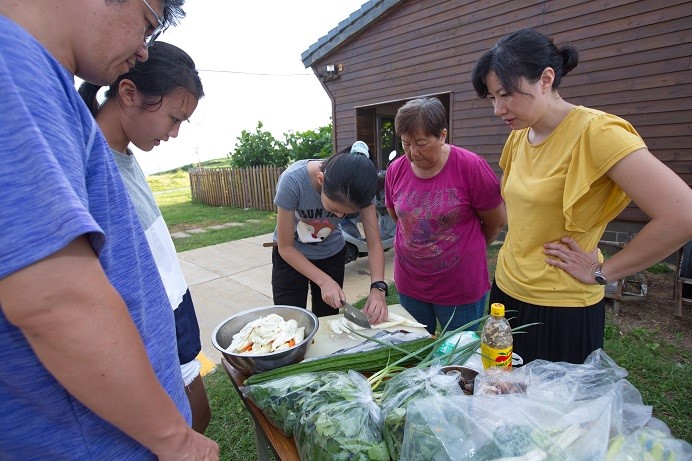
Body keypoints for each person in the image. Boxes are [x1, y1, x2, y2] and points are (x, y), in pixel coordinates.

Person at [0, 1, 218, 459]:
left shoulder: (44, 83)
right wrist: (176, 439)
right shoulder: (16, 68)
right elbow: (54, 299)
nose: (143, 50)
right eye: (148, 23)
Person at [471, 28, 692, 364]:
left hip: (561, 308)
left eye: (506, 95)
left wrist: (605, 272)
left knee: (555, 414)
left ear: (545, 80)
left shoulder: (596, 133)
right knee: (505, 398)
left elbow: (682, 214)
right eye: (492, 98)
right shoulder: (519, 135)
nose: (498, 109)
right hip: (506, 293)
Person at [78, 41, 211, 434]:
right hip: (146, 324)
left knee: (198, 416)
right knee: (187, 421)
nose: (173, 134)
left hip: (173, 303)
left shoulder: (124, 153)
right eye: (173, 118)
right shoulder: (91, 163)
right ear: (130, 94)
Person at [385, 97, 507, 335]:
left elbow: (496, 222)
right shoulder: (396, 170)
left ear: (442, 136)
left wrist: (465, 250)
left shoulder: (470, 167)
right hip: (411, 285)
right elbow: (396, 217)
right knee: (416, 357)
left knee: (458, 357)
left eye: (421, 143)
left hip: (459, 289)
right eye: (406, 143)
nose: (413, 152)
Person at [272, 143, 389, 324]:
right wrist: (324, 281)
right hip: (291, 257)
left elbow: (374, 244)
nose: (339, 217)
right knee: (290, 321)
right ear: (321, 180)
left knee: (328, 321)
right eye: (334, 209)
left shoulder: (362, 190)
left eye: (347, 213)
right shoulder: (293, 181)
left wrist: (378, 288)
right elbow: (285, 247)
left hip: (331, 254)